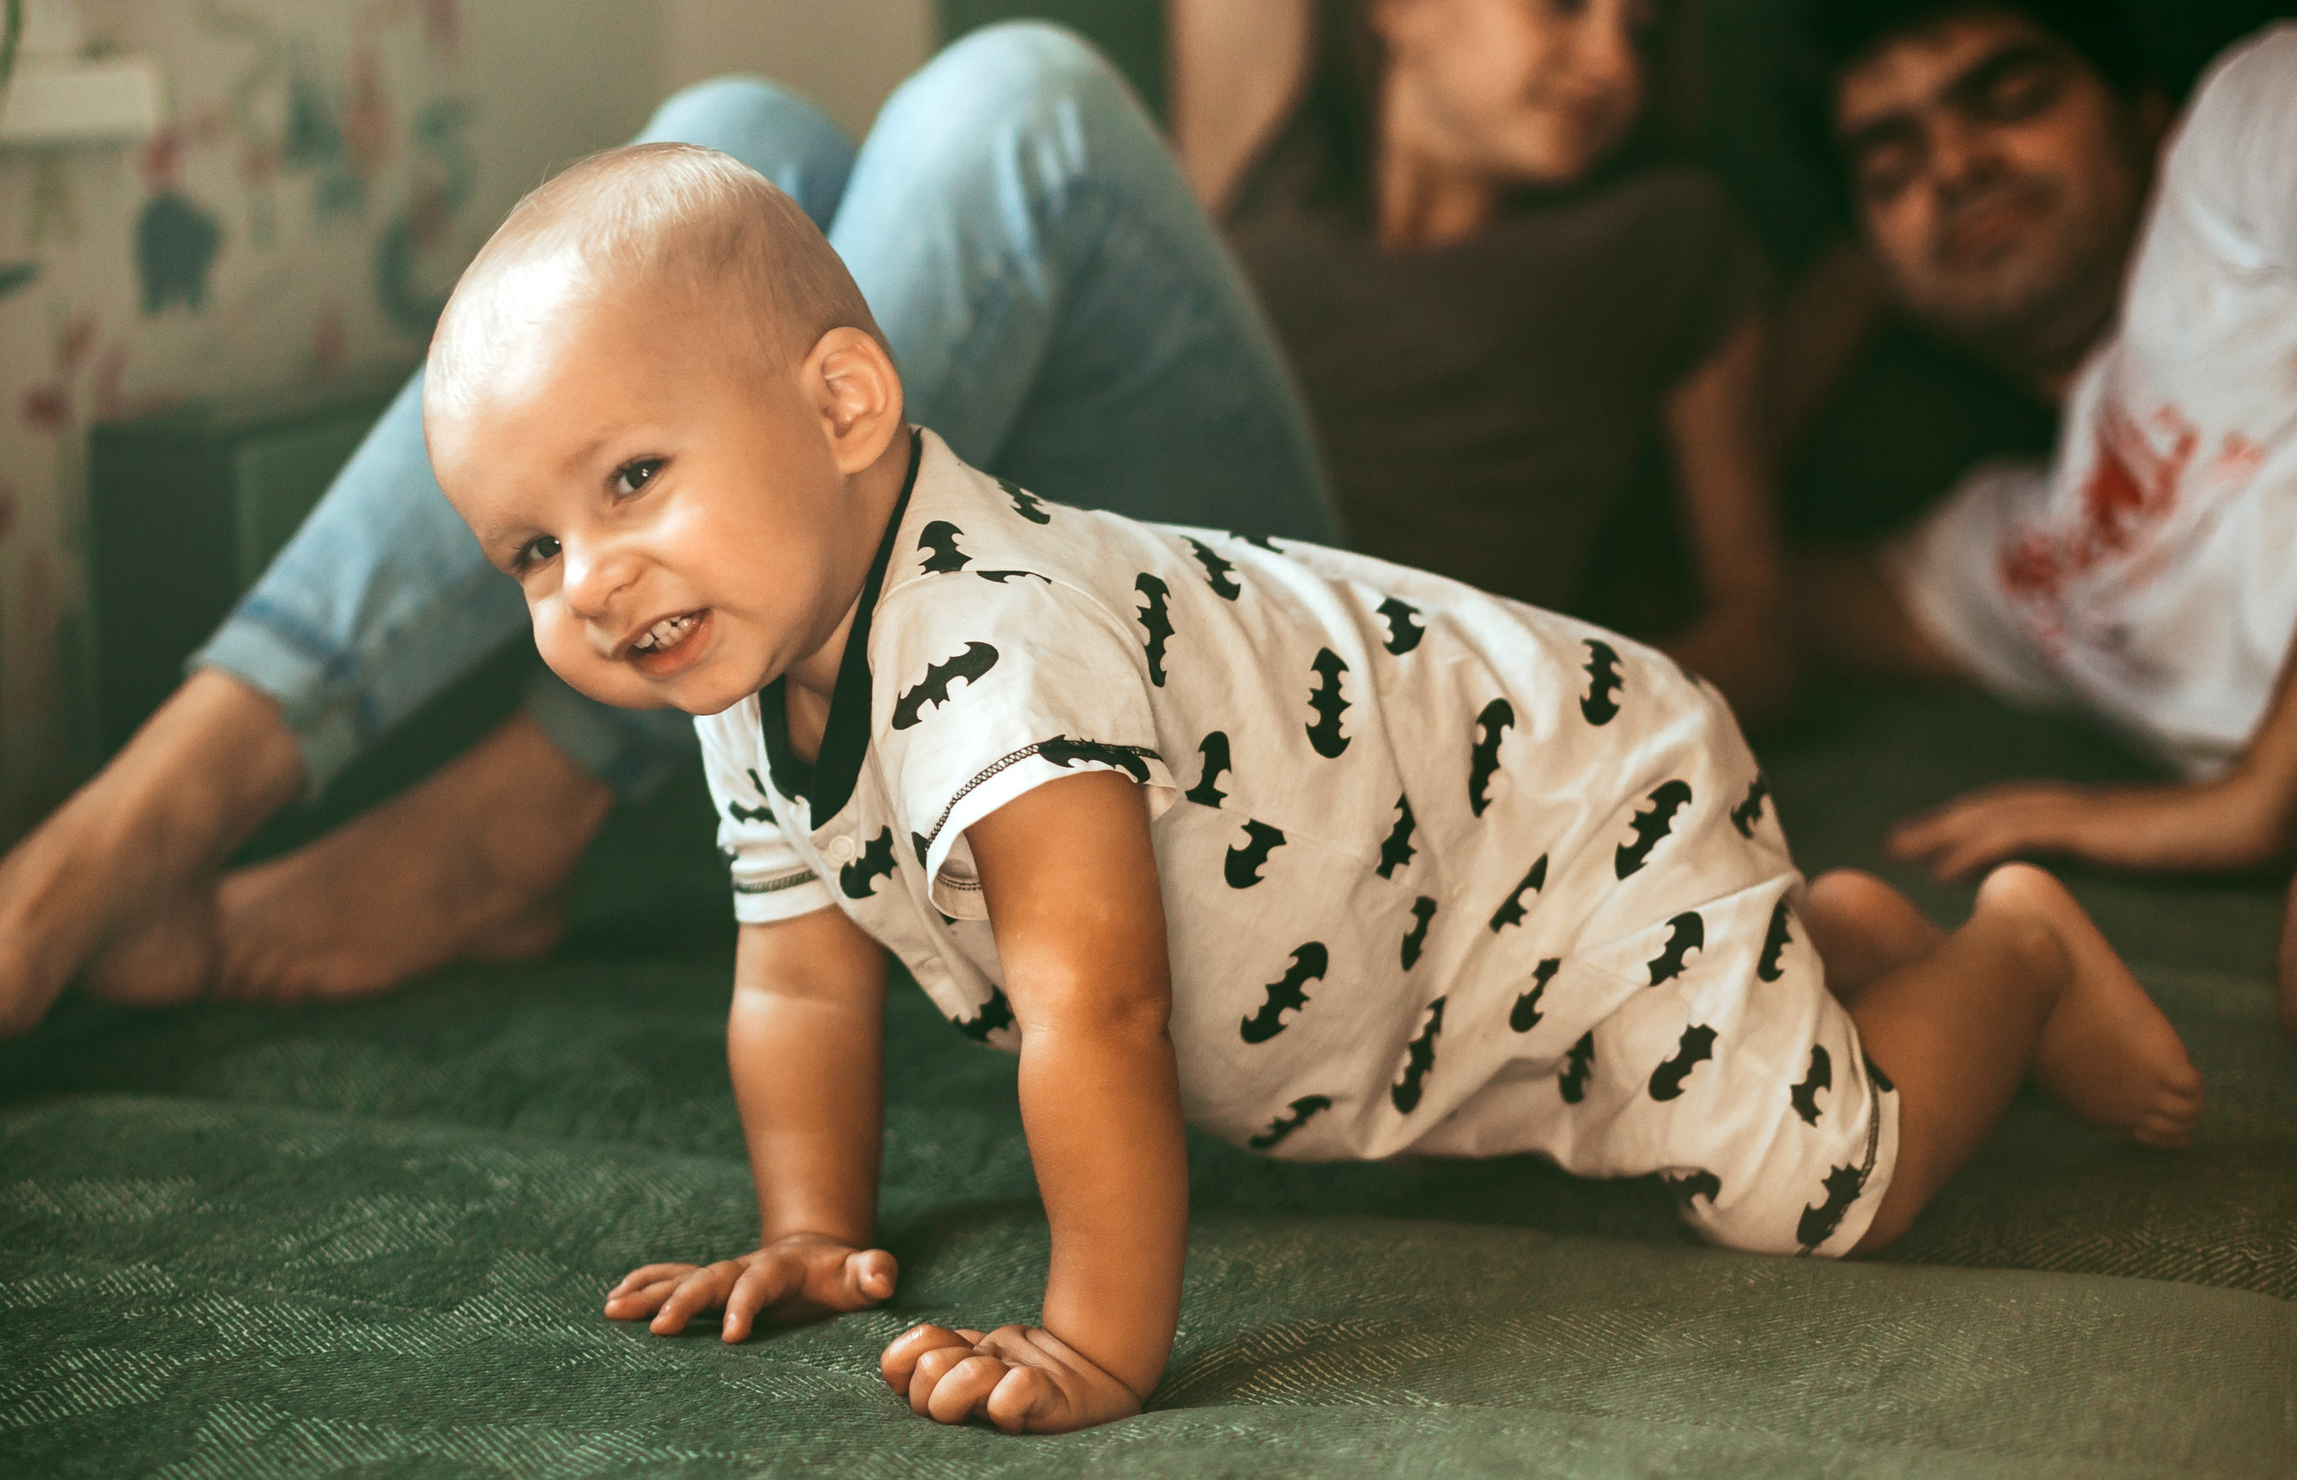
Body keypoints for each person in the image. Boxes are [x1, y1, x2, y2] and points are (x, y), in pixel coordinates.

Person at [425, 143, 2200, 1435]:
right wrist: (812, 1231)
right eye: (527, 548)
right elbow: (799, 970)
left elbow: (1098, 1008)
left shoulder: (996, 646)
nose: (587, 578)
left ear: (843, 404)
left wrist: (1097, 1343)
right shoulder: (742, 653)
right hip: (1440, 933)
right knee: (1627, 1092)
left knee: (1816, 1195)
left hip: (1571, 810)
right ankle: (1811, 950)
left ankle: (2014, 958)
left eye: (634, 478)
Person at [0, 23, 1339, 1078]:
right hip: (951, 570)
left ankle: (514, 806)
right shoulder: (1290, 94)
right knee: (723, 140)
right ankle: (176, 790)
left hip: (1256, 640)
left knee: (1018, 94)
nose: (1587, 55)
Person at [1778, 0, 2297, 1033]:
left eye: (2008, 100)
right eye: (1890, 164)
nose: (1957, 164)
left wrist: (2263, 789)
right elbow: (1730, 594)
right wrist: (1834, 291)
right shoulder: (2003, 556)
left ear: (2141, 108)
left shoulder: (2244, 133)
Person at [1178, 0, 1792, 716]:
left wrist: (1544, 729)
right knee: (991, 110)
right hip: (1160, 572)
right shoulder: (1270, 161)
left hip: (1364, 682)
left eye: (1641, 24)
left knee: (1017, 97)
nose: (1613, 63)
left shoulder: (1666, 234)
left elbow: (1757, 624)